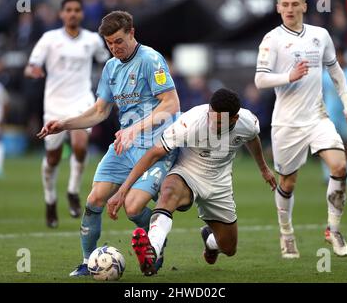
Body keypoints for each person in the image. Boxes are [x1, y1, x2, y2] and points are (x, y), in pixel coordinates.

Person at [37, 10, 180, 276]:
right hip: (124, 145)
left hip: (155, 146)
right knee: (94, 199)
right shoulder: (111, 67)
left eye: (119, 41)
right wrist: (64, 123)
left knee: (133, 207)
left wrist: (135, 129)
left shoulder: (151, 60)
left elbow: (171, 104)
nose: (114, 48)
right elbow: (100, 110)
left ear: (132, 33)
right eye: (109, 43)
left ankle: (155, 244)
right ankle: (88, 261)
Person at [106, 88, 277, 276]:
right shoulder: (191, 122)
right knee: (169, 191)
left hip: (219, 183)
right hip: (187, 172)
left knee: (229, 248)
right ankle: (152, 251)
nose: (212, 123)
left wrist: (264, 169)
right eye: (211, 116)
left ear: (234, 119)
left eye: (219, 122)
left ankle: (210, 242)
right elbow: (154, 153)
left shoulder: (248, 122)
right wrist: (123, 190)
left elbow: (252, 139)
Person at [254, 0, 347, 258]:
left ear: (304, 6)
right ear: (278, 7)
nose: (289, 9)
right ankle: (286, 232)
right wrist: (287, 77)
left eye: (294, 4)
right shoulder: (271, 39)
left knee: (340, 166)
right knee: (287, 183)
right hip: (287, 124)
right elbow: (260, 79)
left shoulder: (320, 35)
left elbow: (336, 71)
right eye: (285, 5)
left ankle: (333, 230)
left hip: (317, 117)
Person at [24, 0, 110, 228]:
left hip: (82, 101)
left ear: (82, 14)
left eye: (76, 10)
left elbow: (108, 61)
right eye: (68, 10)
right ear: (61, 14)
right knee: (53, 157)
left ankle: (73, 191)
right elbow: (32, 64)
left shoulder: (92, 40)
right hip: (54, 105)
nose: (72, 14)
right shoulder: (49, 39)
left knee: (80, 145)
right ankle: (50, 200)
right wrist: (33, 70)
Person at [321, 47, 347, 185]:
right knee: (328, 145)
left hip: (346, 115)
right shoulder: (325, 73)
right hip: (330, 114)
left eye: (340, 55)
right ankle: (328, 174)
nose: (338, 58)